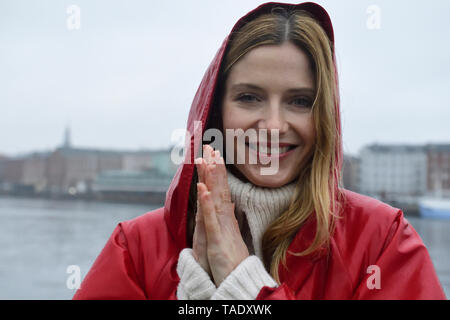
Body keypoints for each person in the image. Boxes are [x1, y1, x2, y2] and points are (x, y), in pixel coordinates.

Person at [73, 1, 446, 300]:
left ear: (325, 117)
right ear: (215, 111)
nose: (272, 126)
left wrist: (244, 284)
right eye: (249, 97)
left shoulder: (382, 243)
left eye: (300, 101)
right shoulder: (136, 250)